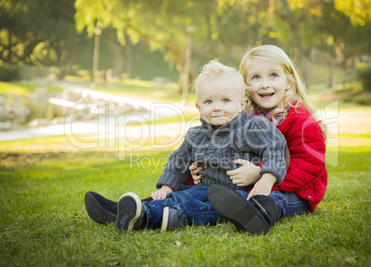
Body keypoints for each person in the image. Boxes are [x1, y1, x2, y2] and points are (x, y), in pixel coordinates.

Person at [87, 59, 289, 233]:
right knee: (178, 196)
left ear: (241, 104)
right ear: (198, 107)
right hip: (203, 188)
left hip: (237, 195)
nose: (217, 107)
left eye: (225, 100)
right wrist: (166, 186)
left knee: (205, 207)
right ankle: (136, 212)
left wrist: (267, 178)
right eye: (209, 102)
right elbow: (179, 160)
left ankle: (155, 216)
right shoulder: (195, 135)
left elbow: (276, 148)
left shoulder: (253, 127)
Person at [202, 45, 327, 235]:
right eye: (255, 77)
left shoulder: (300, 119)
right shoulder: (244, 118)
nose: (264, 84)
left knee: (277, 199)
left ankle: (257, 215)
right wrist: (198, 172)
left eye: (273, 75)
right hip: (253, 185)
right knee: (225, 194)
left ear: (289, 81)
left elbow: (310, 163)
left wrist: (263, 175)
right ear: (244, 87)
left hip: (298, 191)